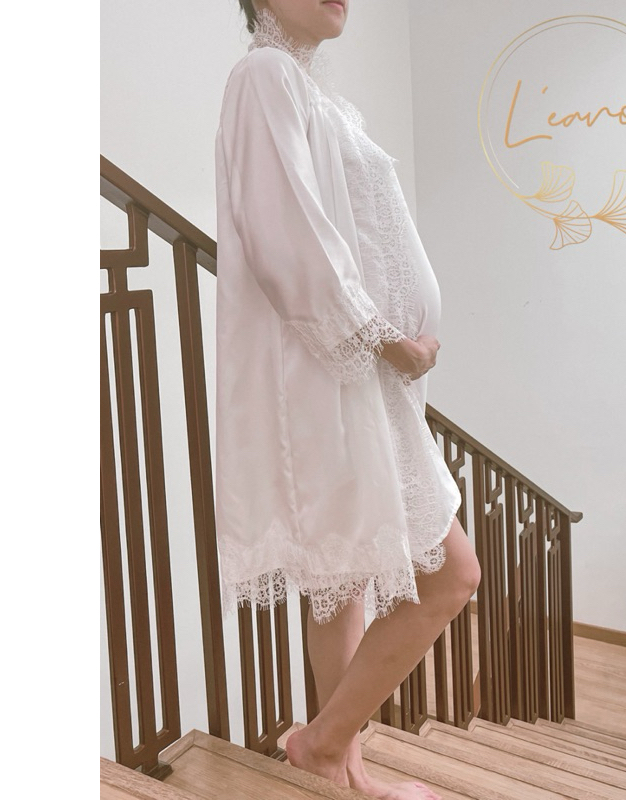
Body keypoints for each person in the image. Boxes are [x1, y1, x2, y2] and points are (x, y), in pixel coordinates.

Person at [215, 2, 482, 797]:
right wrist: (389, 340)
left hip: (357, 380)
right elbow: (286, 238)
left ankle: (343, 770)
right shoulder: (264, 76)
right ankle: (324, 746)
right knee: (451, 575)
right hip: (330, 379)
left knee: (345, 581)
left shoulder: (312, 90)